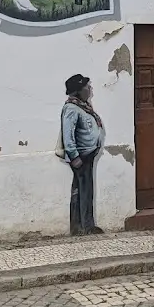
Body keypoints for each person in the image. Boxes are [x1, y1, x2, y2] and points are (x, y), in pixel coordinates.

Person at [60, 74, 104, 236]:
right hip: (81, 157)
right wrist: (74, 156)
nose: (90, 89)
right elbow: (68, 135)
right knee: (84, 191)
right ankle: (86, 226)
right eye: (87, 87)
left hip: (88, 154)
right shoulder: (71, 109)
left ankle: (79, 226)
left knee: (82, 190)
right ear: (78, 91)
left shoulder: (83, 106)